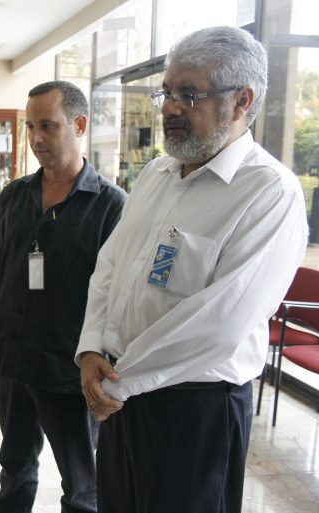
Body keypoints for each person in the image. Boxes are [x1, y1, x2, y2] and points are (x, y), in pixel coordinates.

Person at [76, 26, 308, 513]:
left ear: (241, 101)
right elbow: (111, 265)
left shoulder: (269, 192)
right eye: (166, 92)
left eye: (189, 94)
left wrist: (119, 380)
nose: (169, 108)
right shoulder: (156, 174)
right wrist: (93, 347)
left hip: (195, 409)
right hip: (120, 392)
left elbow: (220, 322)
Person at [0, 81, 126, 513]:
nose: (36, 137)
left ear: (79, 125)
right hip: (13, 361)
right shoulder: (14, 195)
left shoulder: (111, 206)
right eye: (30, 127)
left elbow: (120, 295)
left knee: (81, 485)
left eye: (47, 125)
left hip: (70, 369)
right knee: (15, 468)